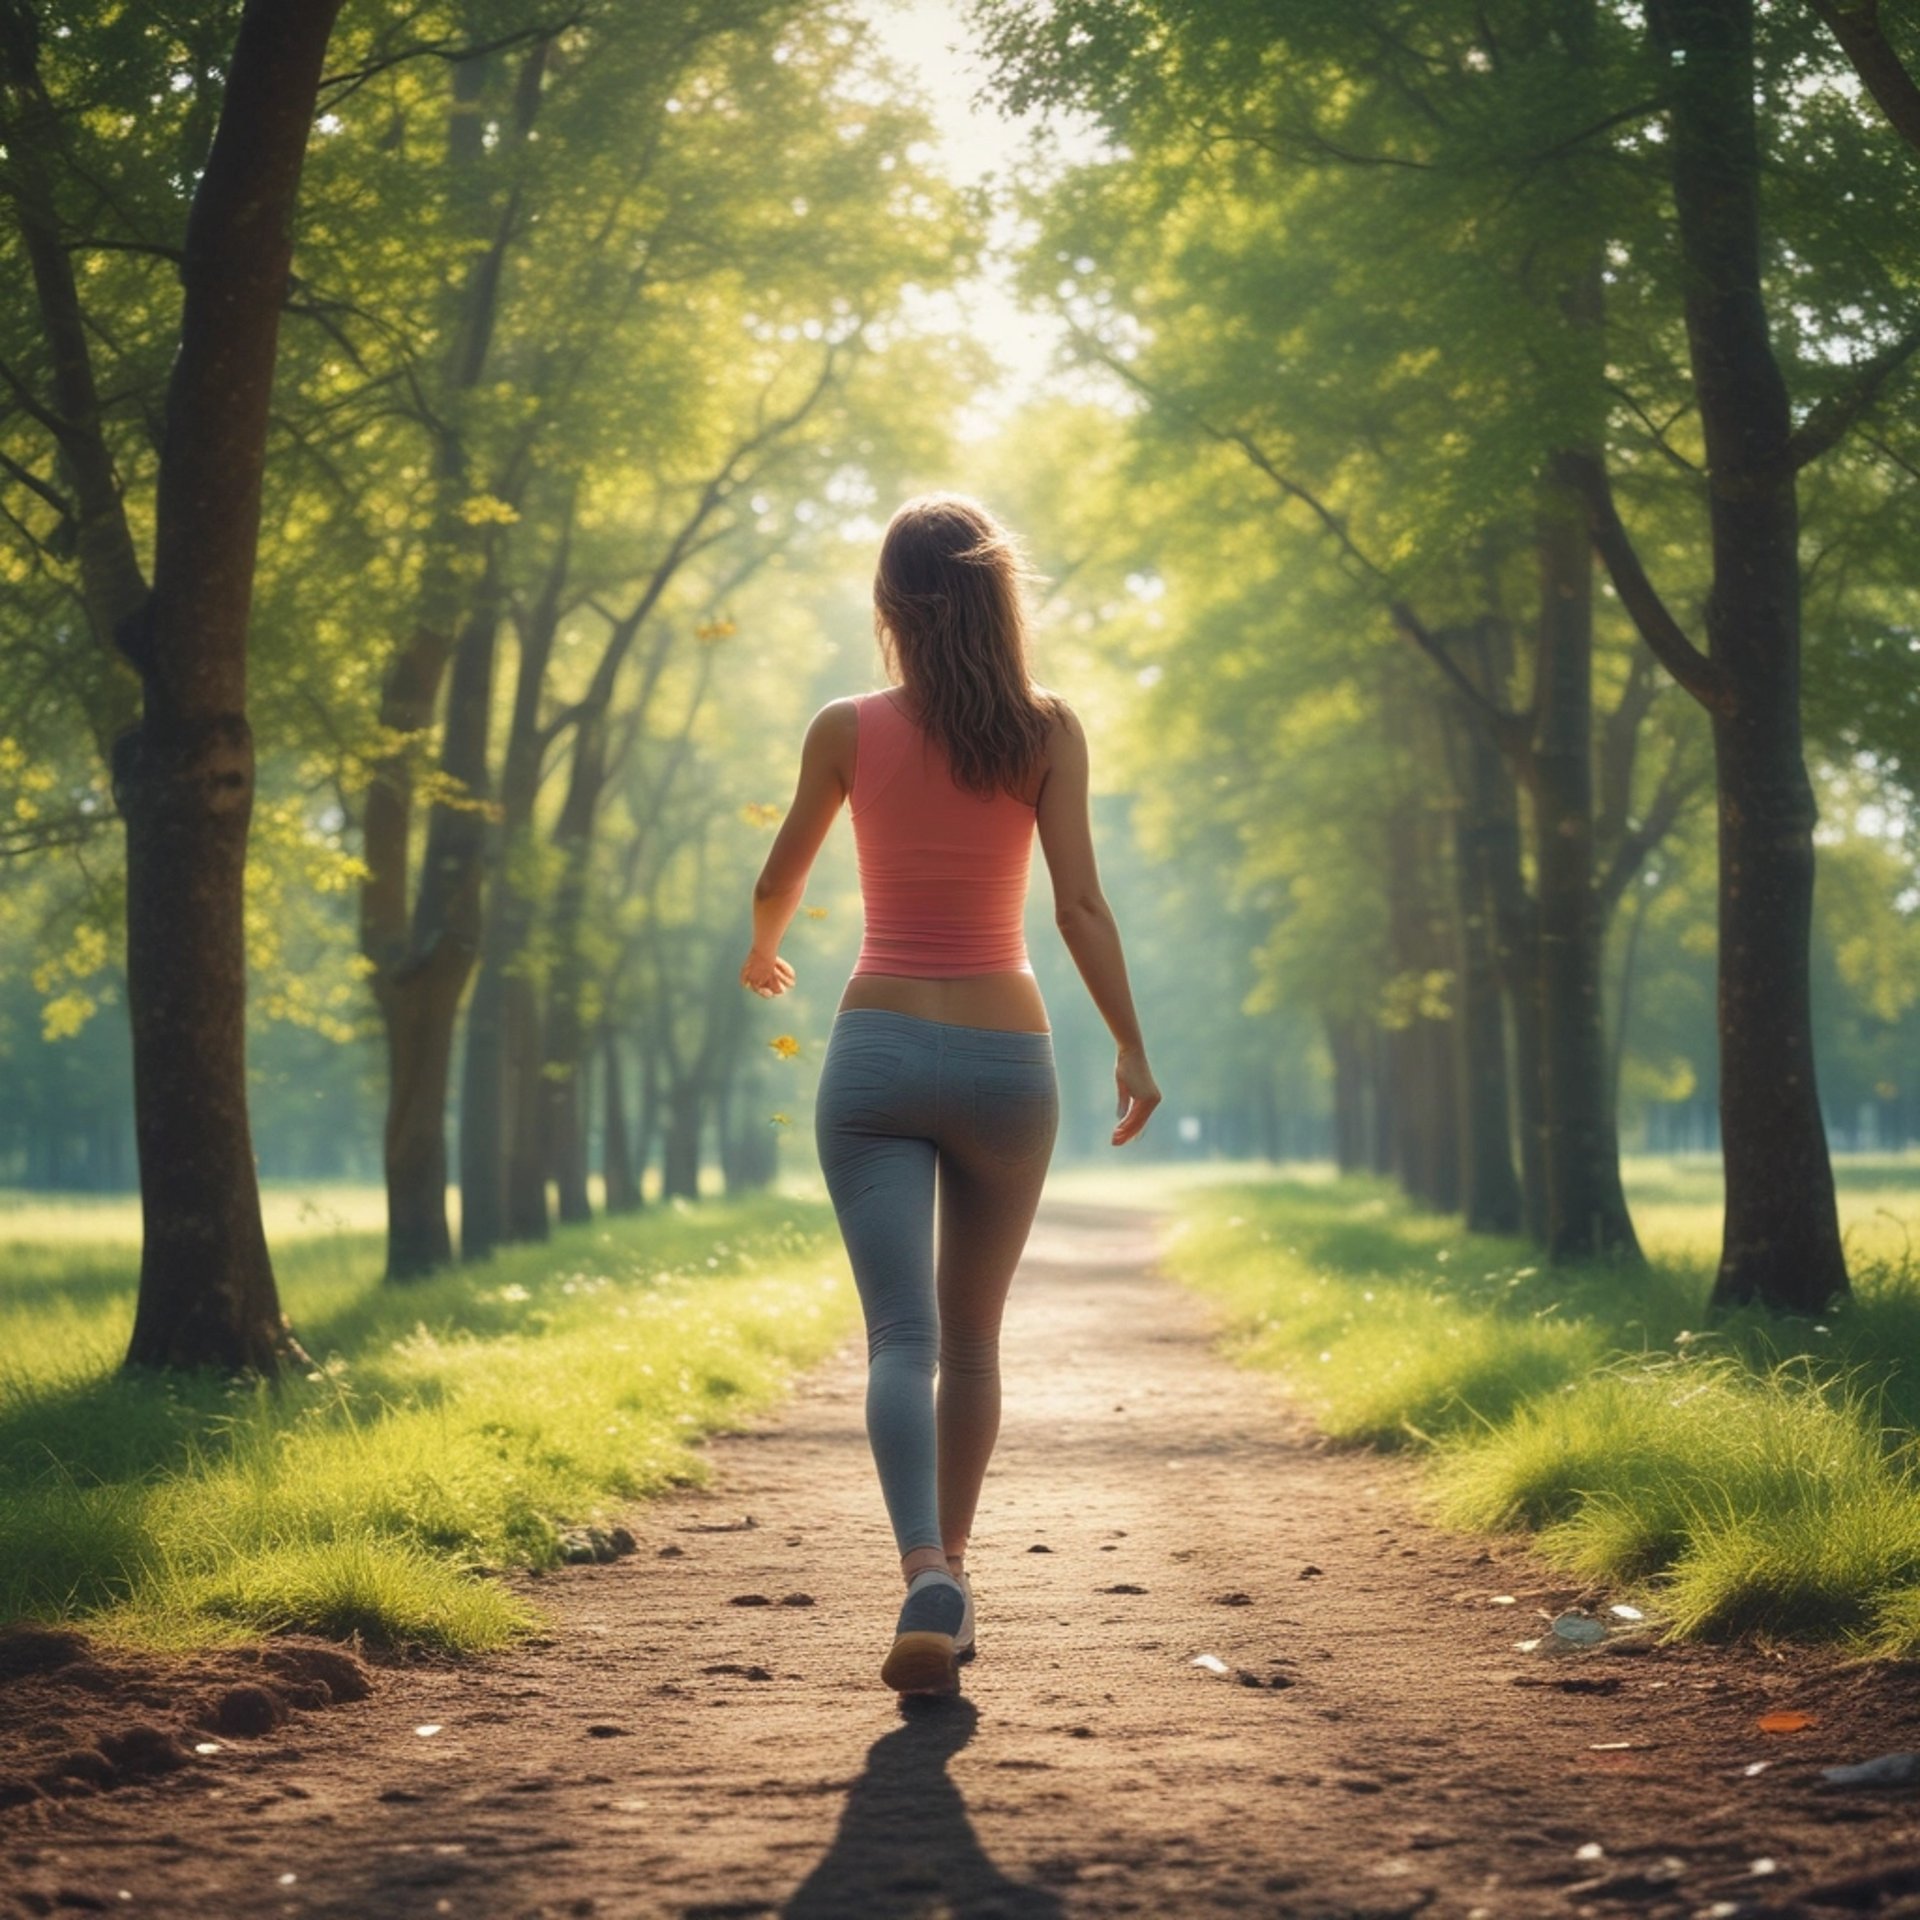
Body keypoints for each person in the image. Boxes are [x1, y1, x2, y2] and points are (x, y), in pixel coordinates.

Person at [740, 492, 1161, 1698]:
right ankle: (956, 1577)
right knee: (970, 1340)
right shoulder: (1048, 730)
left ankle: (923, 1565)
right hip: (1004, 1060)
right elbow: (1079, 907)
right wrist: (1130, 1044)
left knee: (900, 1337)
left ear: (889, 609)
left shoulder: (844, 726)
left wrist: (763, 947)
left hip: (872, 1052)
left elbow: (782, 877)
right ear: (998, 599)